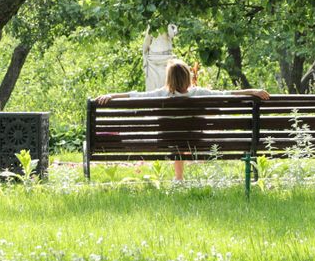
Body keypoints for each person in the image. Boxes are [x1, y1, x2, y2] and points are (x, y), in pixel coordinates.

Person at [96, 59, 269, 181]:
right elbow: (226, 94)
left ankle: (179, 178)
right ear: (187, 76)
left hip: (168, 138)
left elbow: (135, 95)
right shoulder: (198, 92)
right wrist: (252, 91)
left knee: (177, 139)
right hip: (195, 139)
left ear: (169, 79)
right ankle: (185, 171)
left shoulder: (161, 93)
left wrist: (111, 95)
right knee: (186, 135)